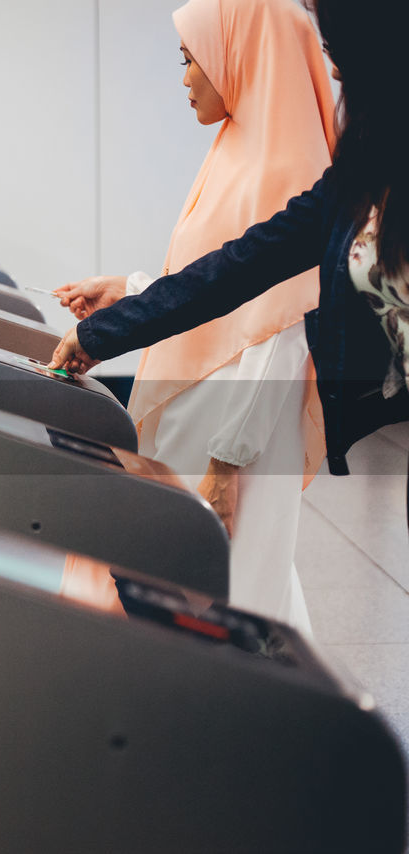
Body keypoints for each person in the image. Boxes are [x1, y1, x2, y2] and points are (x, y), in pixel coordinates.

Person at [49, 0, 409, 535]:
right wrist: (106, 328)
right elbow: (241, 266)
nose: (333, 71)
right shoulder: (365, 167)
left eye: (340, 50)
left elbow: (277, 325)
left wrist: (228, 457)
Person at [54, 0, 334, 631]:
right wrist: (128, 290)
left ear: (240, 56)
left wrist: (226, 464)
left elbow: (280, 335)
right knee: (213, 581)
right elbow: (218, 278)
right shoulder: (238, 148)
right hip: (204, 408)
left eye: (191, 60)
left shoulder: (290, 168)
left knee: (228, 588)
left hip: (234, 423)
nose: (185, 79)